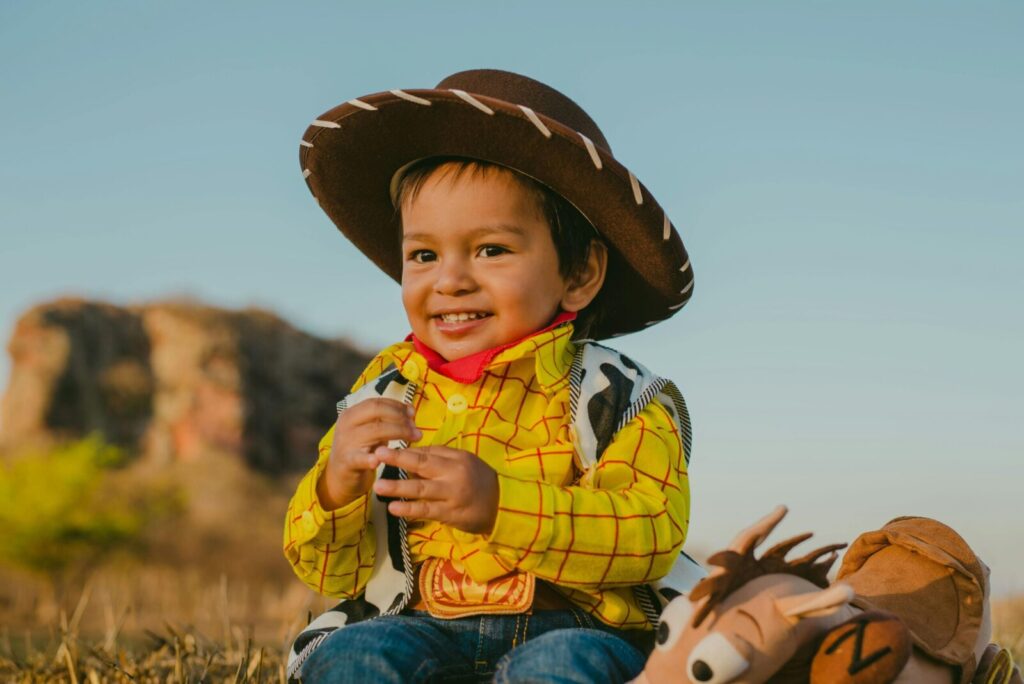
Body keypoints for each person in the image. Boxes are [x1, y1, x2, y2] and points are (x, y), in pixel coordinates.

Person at [283, 68, 697, 683]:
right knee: (354, 658)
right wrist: (337, 485)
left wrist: (498, 506)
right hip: (418, 620)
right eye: (424, 255)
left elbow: (650, 532)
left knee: (562, 667)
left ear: (579, 274)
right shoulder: (385, 390)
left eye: (491, 250)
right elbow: (331, 574)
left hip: (578, 627)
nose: (450, 279)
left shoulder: (620, 398)